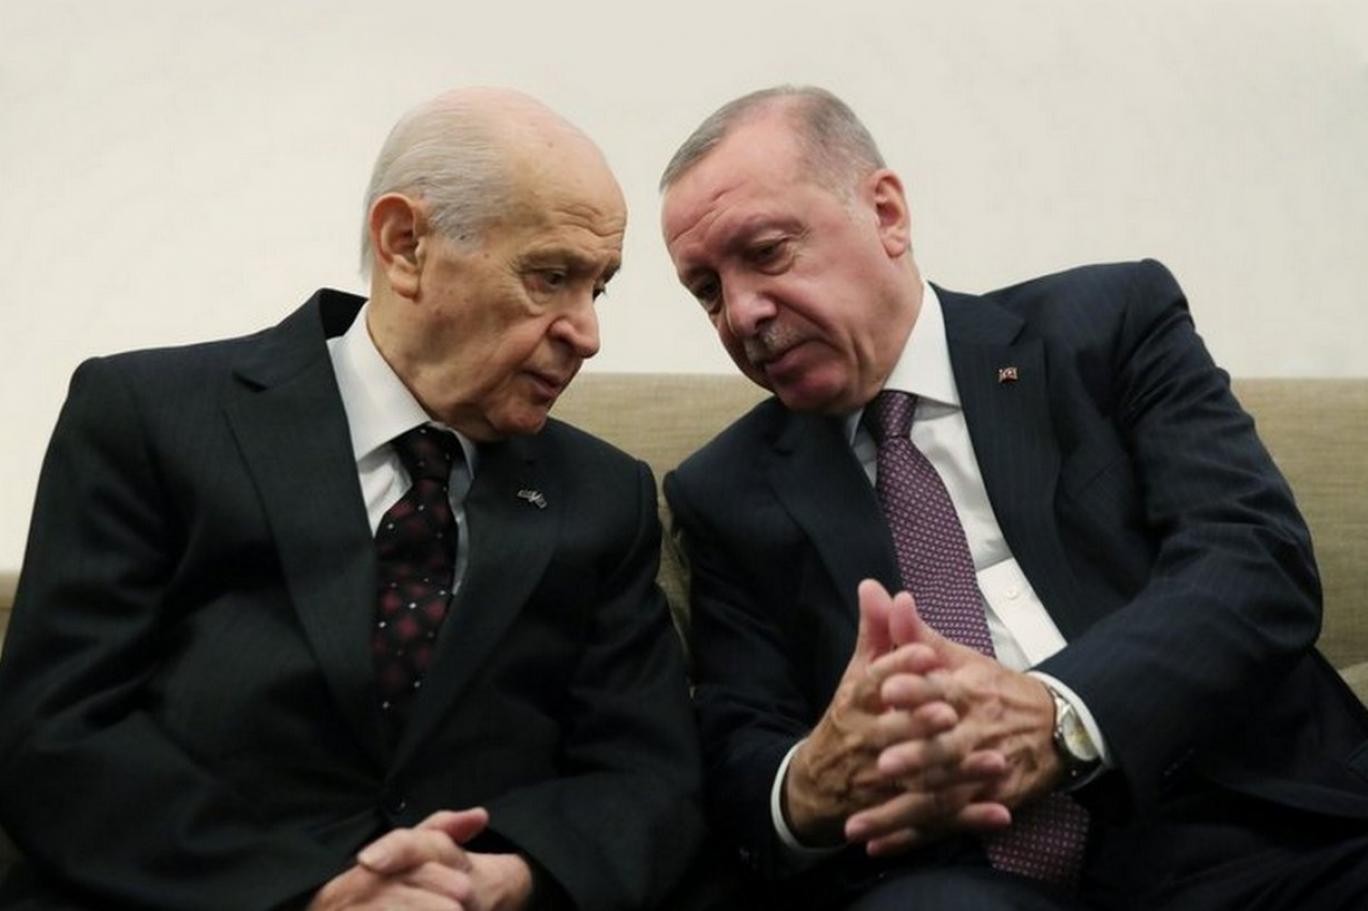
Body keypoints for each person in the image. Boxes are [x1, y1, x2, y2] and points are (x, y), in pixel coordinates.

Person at [658, 85, 1368, 910]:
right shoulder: (726, 491)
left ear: (886, 214)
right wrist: (807, 784)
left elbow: (1253, 559)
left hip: (1250, 827)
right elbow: (742, 747)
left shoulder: (1105, 326)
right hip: (966, 882)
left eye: (768, 252)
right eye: (707, 291)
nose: (742, 313)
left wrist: (1060, 714)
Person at [0, 87, 704, 911]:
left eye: (598, 289)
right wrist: (317, 893)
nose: (586, 332)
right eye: (550, 277)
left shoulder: (605, 496)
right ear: (405, 244)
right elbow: (56, 732)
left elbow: (650, 777)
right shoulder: (151, 416)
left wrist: (504, 877)